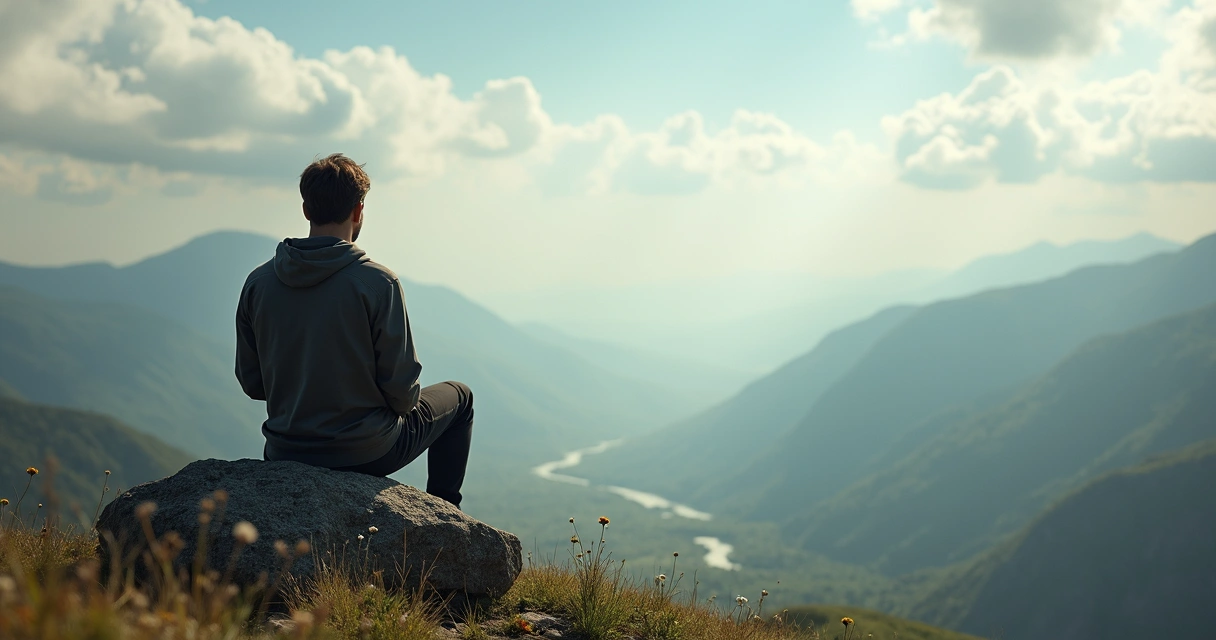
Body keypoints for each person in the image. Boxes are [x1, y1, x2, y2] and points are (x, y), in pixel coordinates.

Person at [235, 153, 473, 509]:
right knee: (461, 397)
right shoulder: (377, 283)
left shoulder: (259, 282)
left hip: (285, 450)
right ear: (358, 210)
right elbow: (403, 396)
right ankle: (447, 517)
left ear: (306, 209)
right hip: (367, 452)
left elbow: (253, 384)